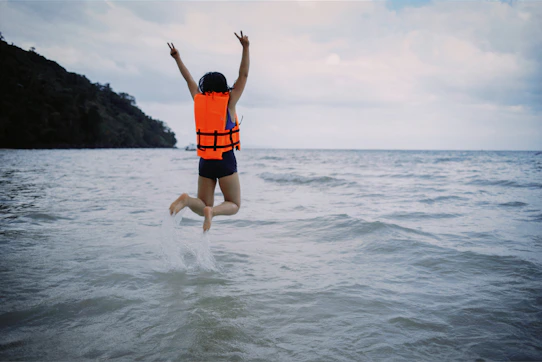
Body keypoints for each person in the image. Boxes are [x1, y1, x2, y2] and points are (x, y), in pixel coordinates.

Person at [168, 31, 250, 232]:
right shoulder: (230, 102)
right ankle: (212, 213)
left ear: (204, 87)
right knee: (234, 204)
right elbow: (243, 75)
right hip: (225, 159)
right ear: (224, 86)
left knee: (202, 204)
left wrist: (177, 58)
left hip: (206, 161)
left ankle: (187, 201)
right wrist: (246, 47)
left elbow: (188, 80)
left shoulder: (199, 99)